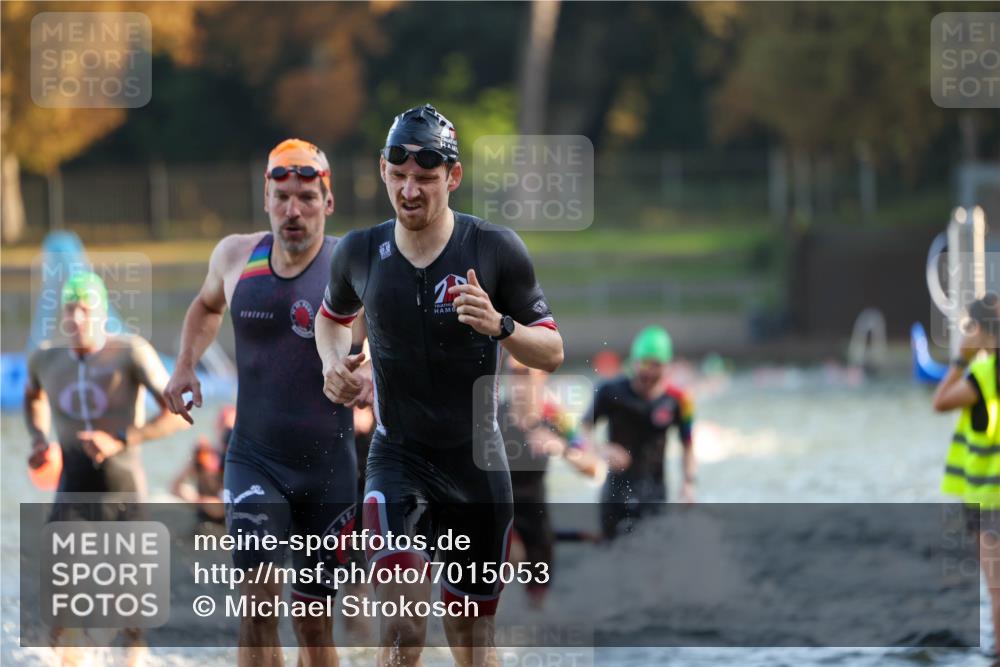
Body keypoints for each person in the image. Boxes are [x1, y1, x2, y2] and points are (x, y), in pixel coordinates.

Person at [316, 103, 564, 667]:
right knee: (403, 629)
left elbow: (552, 350)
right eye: (399, 176)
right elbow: (330, 320)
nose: (410, 191)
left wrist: (501, 325)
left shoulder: (494, 249)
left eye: (425, 178)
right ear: (383, 170)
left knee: (471, 642)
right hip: (397, 457)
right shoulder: (358, 251)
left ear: (451, 177)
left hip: (476, 465)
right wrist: (333, 364)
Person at [164, 139, 368, 667]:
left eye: (305, 196)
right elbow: (206, 306)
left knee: (314, 625)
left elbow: (394, 345)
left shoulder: (354, 267)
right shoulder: (236, 256)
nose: (292, 210)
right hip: (255, 458)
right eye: (282, 197)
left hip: (329, 467)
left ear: (328, 201)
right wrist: (186, 362)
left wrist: (370, 372)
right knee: (256, 609)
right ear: (266, 197)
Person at [25, 270, 188, 666]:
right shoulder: (45, 359)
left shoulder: (130, 352)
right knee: (62, 604)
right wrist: (38, 439)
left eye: (85, 309)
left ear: (100, 314)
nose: (76, 318)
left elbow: (177, 414)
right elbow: (33, 398)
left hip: (123, 491)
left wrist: (121, 439)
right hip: (73, 491)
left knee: (132, 617)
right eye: (70, 308)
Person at [498, 356, 600, 608]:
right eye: (513, 373)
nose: (518, 382)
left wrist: (561, 448)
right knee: (512, 557)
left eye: (525, 374)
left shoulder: (557, 419)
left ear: (542, 377)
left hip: (536, 519)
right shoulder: (492, 415)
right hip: (498, 515)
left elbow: (593, 469)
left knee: (537, 607)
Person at [582, 325, 696, 540]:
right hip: (615, 494)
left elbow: (688, 445)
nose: (649, 371)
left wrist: (688, 482)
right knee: (613, 559)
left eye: (656, 365)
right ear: (633, 362)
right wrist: (601, 450)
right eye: (644, 363)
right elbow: (582, 429)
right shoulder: (610, 391)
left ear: (667, 366)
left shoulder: (681, 400)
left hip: (654, 493)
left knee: (653, 562)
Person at [935, 293, 1000, 656]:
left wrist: (961, 359)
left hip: (989, 502)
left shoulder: (983, 376)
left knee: (998, 593)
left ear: (977, 331)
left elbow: (940, 401)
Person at [170, 405, 235, 525]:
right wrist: (198, 500)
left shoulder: (241, 463)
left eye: (231, 430)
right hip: (203, 522)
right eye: (224, 427)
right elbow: (175, 488)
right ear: (217, 427)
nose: (227, 434)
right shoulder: (203, 455)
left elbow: (224, 508)